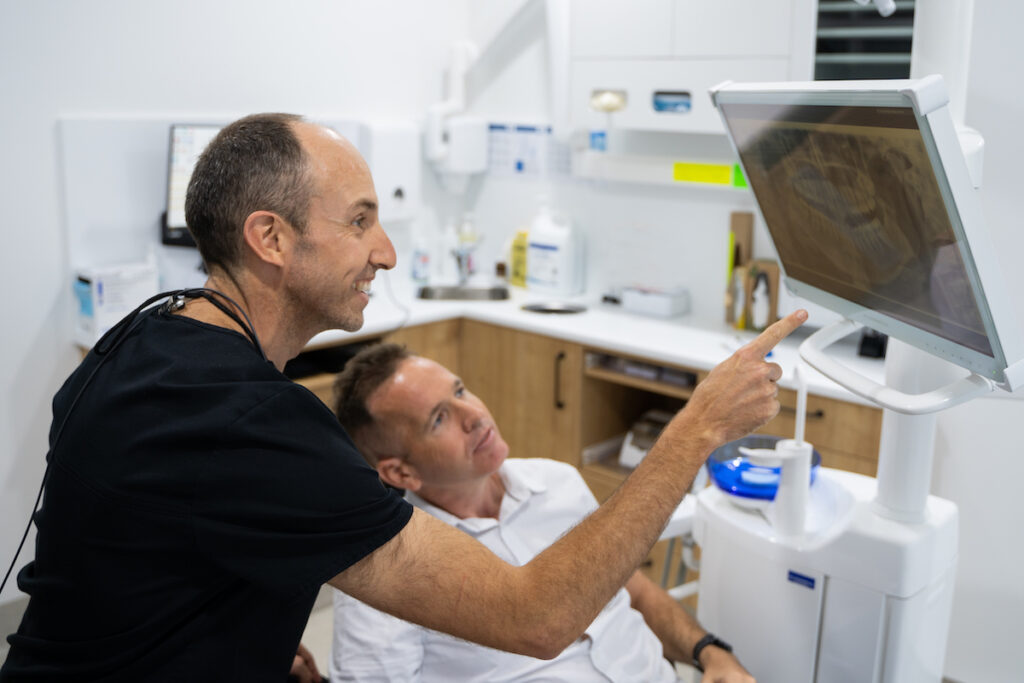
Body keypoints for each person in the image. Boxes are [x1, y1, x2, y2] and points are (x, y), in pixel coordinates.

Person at [1, 112, 805, 681]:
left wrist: (237, 633)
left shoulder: (139, 344)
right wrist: (697, 424)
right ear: (271, 238)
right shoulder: (250, 421)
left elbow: (131, 548)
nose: (385, 252)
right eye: (359, 222)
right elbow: (535, 616)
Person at [329, 343, 756, 682]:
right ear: (400, 471)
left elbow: (634, 592)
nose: (474, 416)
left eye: (460, 391)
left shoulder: (557, 482)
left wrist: (711, 654)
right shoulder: (387, 569)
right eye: (440, 418)